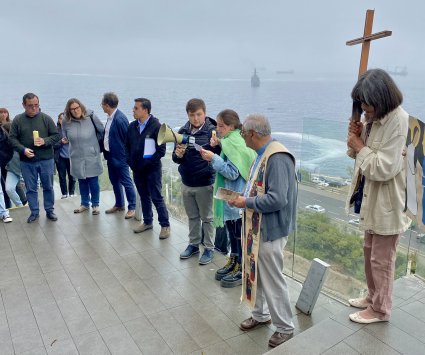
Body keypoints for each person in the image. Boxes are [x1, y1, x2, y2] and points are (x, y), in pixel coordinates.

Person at [346, 68, 410, 324]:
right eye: (361, 103)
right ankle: (373, 297)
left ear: (382, 98)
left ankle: (380, 309)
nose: (363, 108)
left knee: (382, 260)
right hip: (371, 198)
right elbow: (356, 156)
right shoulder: (374, 119)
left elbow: (383, 168)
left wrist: (360, 145)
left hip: (387, 202)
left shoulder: (398, 121)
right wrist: (357, 136)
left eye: (367, 103)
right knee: (369, 252)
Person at [229, 114, 296, 348]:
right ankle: (260, 314)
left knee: (272, 279)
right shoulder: (263, 154)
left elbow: (277, 199)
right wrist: (242, 199)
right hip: (258, 228)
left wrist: (245, 202)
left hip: (270, 230)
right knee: (255, 274)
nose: (242, 138)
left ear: (252, 134)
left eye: (243, 134)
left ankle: (285, 327)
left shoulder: (277, 157)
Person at [200, 109, 256, 287]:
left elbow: (232, 173)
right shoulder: (230, 140)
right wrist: (219, 145)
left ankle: (240, 268)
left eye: (221, 126)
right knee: (233, 234)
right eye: (217, 125)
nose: (218, 129)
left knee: (238, 235)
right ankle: (234, 260)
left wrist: (214, 157)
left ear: (232, 126)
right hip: (231, 197)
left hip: (236, 198)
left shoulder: (235, 143)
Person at [172, 98, 221, 265]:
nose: (195, 118)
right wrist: (178, 155)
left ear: (205, 113)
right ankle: (193, 244)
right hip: (187, 181)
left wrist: (215, 147)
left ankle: (209, 248)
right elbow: (175, 158)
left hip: (205, 182)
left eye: (198, 114)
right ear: (187, 114)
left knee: (207, 218)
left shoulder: (212, 132)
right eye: (192, 115)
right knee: (192, 216)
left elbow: (221, 157)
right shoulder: (182, 131)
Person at [9, 93, 61, 223]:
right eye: (30, 106)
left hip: (46, 160)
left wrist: (44, 141)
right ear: (23, 105)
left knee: (48, 186)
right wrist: (23, 150)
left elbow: (56, 136)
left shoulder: (46, 118)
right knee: (31, 189)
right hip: (27, 161)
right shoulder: (18, 120)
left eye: (36, 105)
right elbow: (12, 139)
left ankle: (49, 211)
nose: (34, 108)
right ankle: (34, 212)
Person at [126, 98, 170, 239]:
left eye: (136, 108)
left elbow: (161, 150)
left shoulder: (157, 126)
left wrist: (146, 164)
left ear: (145, 110)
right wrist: (130, 162)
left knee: (156, 197)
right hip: (137, 170)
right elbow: (126, 146)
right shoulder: (132, 126)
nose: (133, 110)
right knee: (144, 196)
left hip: (152, 170)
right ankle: (148, 222)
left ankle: (165, 225)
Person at [63, 98, 104, 215]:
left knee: (93, 181)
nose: (75, 111)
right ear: (69, 111)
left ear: (81, 107)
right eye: (72, 109)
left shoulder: (91, 117)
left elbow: (102, 131)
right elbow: (65, 135)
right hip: (76, 155)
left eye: (77, 108)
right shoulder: (66, 121)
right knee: (82, 180)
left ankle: (95, 204)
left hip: (91, 154)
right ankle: (84, 203)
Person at [101, 92, 136, 219]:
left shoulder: (120, 119)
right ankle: (119, 204)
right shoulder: (111, 118)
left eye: (102, 104)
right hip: (110, 156)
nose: (101, 106)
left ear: (107, 105)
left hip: (120, 157)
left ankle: (132, 207)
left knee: (126, 182)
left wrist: (126, 157)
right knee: (114, 181)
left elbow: (128, 140)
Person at [54, 112, 76, 199]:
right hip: (60, 157)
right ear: (58, 120)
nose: (63, 121)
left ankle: (71, 192)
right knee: (62, 176)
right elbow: (52, 145)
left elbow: (78, 140)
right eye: (61, 119)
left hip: (72, 156)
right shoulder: (55, 131)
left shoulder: (72, 129)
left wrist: (70, 140)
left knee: (72, 176)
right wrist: (61, 142)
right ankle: (64, 193)